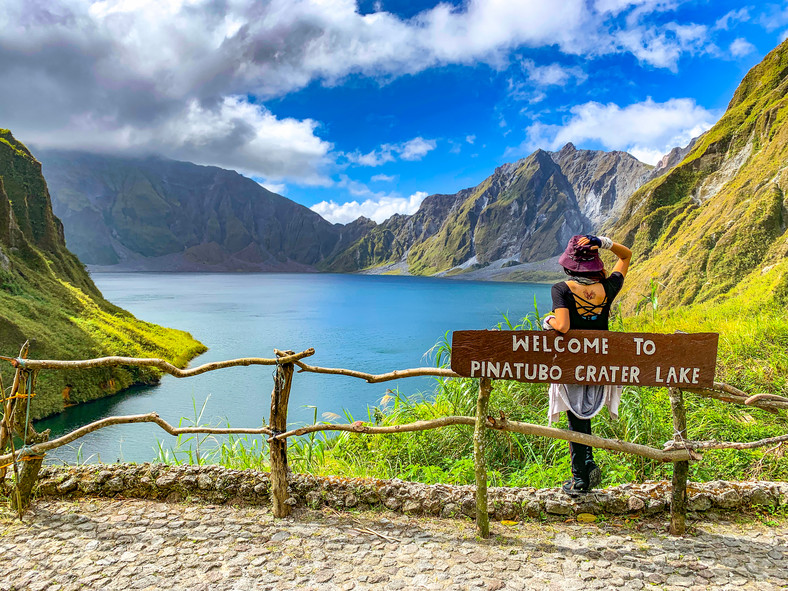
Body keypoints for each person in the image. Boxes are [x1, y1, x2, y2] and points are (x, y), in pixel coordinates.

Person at [541, 234, 632, 496]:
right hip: (601, 363)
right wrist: (603, 242)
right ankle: (586, 462)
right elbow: (625, 256)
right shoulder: (609, 287)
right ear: (594, 265)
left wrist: (548, 321)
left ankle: (579, 476)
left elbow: (564, 326)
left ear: (568, 265)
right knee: (584, 414)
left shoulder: (561, 289)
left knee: (575, 416)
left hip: (573, 363)